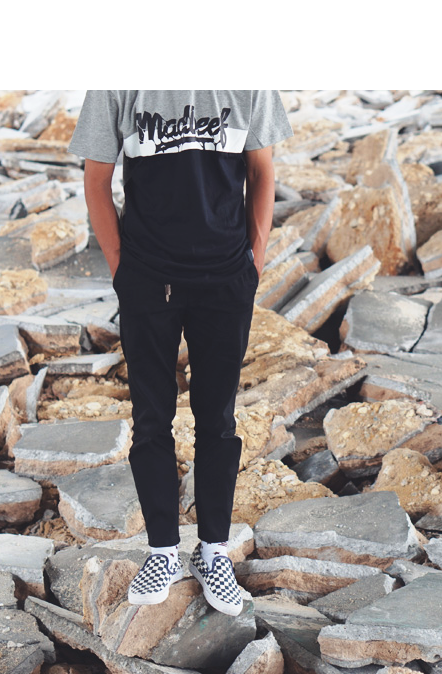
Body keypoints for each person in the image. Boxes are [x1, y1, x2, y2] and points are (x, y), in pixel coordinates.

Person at [68, 90, 293, 616]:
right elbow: (96, 180)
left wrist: (253, 264)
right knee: (151, 418)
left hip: (226, 277)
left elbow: (261, 171)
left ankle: (213, 551)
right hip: (148, 279)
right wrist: (122, 269)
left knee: (218, 419)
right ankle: (162, 551)